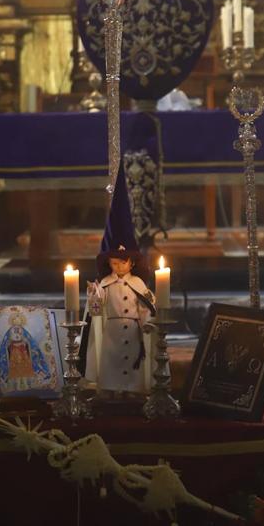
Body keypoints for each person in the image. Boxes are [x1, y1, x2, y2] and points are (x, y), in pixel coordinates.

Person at [83, 164, 156, 396]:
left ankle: (132, 392)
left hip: (133, 332)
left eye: (123, 262)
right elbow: (95, 310)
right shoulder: (105, 285)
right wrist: (94, 296)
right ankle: (111, 392)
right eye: (114, 263)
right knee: (113, 364)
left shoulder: (138, 284)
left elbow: (146, 305)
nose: (119, 266)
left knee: (133, 365)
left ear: (132, 263)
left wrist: (147, 321)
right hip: (112, 333)